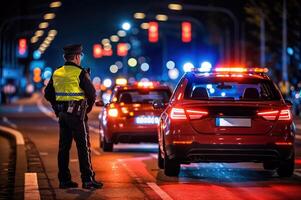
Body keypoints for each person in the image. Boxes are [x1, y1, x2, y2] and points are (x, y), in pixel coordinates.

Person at [44, 44, 103, 189]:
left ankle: (64, 180)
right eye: (80, 56)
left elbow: (48, 93)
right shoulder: (80, 73)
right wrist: (86, 110)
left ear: (66, 57)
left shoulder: (57, 72)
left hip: (63, 115)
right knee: (84, 147)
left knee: (63, 148)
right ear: (77, 57)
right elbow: (92, 94)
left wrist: (57, 107)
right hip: (77, 116)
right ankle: (87, 179)